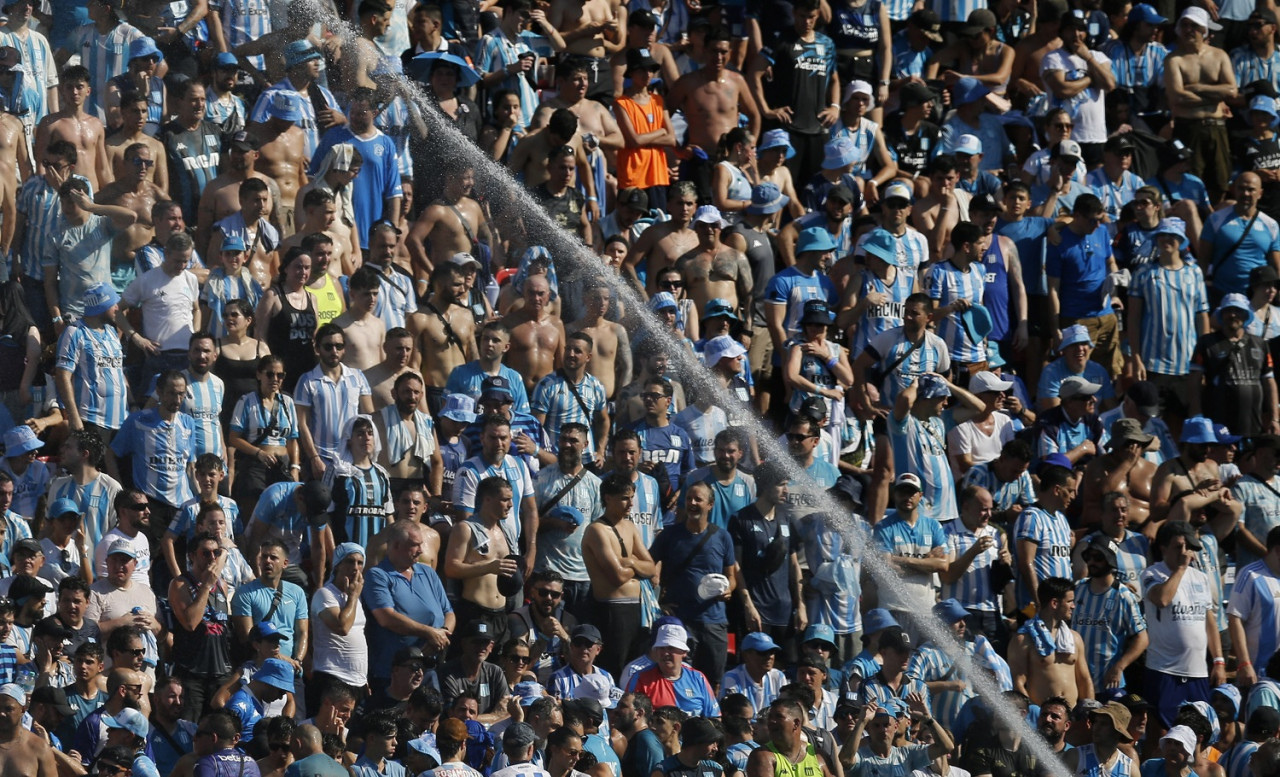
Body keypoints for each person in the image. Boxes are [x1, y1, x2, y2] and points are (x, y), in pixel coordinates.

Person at [1142, 520, 1226, 729]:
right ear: (1163, 548)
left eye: (1188, 546)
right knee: (1161, 732)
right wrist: (1180, 570)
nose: (1184, 551)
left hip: (1197, 671)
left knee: (1199, 732)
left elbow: (1209, 621)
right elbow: (1162, 599)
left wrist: (1218, 661)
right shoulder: (1152, 573)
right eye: (1178, 546)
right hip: (1164, 670)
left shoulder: (1201, 578)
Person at [1166, 7, 1237, 203]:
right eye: (1185, 25)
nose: (1189, 30)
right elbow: (1177, 97)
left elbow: (1232, 90)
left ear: (1204, 29)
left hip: (1216, 128)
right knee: (1190, 178)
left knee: (1221, 180)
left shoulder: (1219, 56)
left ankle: (1212, 218)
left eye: (1194, 26)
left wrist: (1196, 87)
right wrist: (1215, 96)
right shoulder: (1174, 59)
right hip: (1188, 128)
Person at [1189, 294, 1280, 437]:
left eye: (1237, 310)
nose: (1232, 315)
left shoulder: (1260, 344)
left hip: (1252, 423)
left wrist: (1275, 419)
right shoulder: (1206, 343)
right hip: (1218, 422)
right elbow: (1194, 381)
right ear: (1221, 314)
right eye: (1228, 311)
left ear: (1246, 314)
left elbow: (1269, 381)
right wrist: (1196, 412)